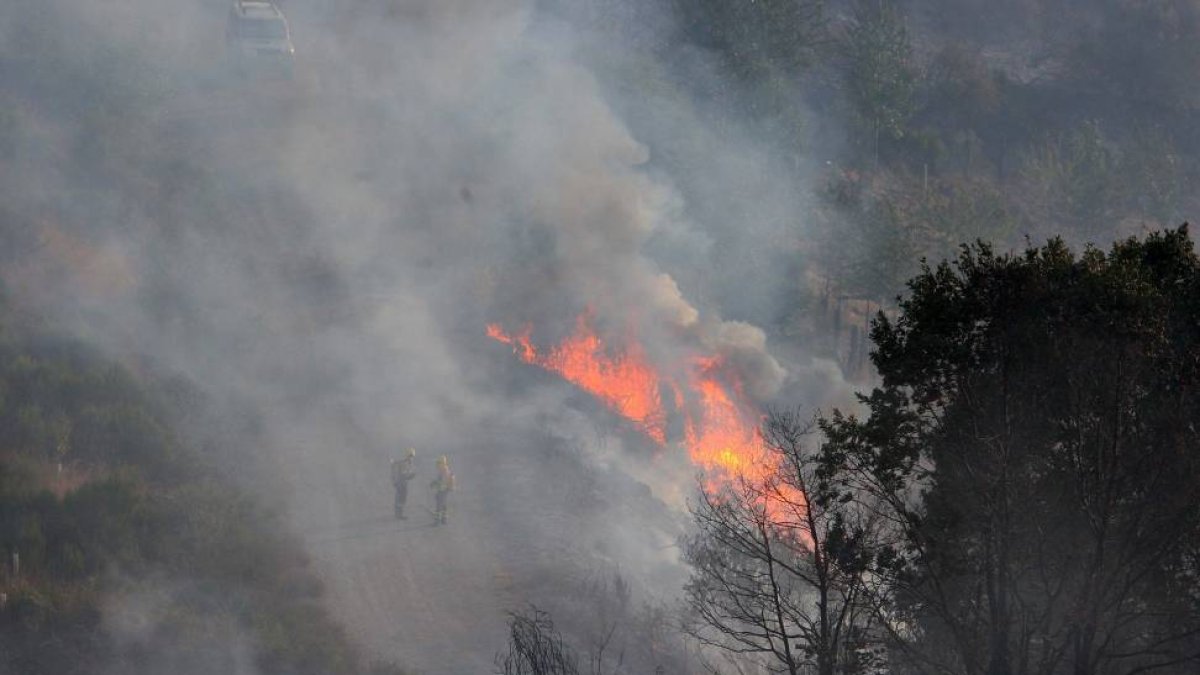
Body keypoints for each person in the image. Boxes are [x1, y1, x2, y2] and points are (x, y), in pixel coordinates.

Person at [390, 448, 417, 519]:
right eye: (411, 456)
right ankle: (399, 515)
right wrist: (411, 476)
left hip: (403, 483)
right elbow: (403, 475)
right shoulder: (404, 464)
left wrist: (410, 476)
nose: (412, 458)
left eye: (412, 457)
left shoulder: (407, 463)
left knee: (401, 499)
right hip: (401, 483)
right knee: (401, 499)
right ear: (408, 456)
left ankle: (398, 514)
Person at [430, 455, 455, 525]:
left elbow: (441, 482)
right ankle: (444, 520)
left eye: (438, 463)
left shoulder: (443, 471)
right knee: (444, 505)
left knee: (439, 506)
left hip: (442, 490)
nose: (437, 465)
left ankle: (437, 521)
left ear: (441, 463)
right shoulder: (445, 470)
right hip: (444, 490)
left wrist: (434, 483)